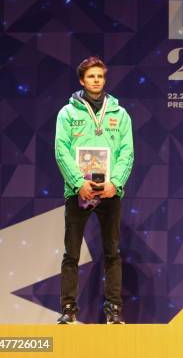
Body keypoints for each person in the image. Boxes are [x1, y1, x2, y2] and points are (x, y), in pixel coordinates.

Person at [54, 56, 134, 324]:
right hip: (79, 192)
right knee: (72, 252)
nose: (96, 80)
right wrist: (79, 183)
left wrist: (116, 183)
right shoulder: (67, 113)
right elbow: (61, 150)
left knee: (112, 252)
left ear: (105, 79)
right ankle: (68, 309)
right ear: (81, 80)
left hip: (109, 191)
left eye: (100, 76)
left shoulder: (119, 114)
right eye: (91, 76)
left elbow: (127, 153)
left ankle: (113, 310)